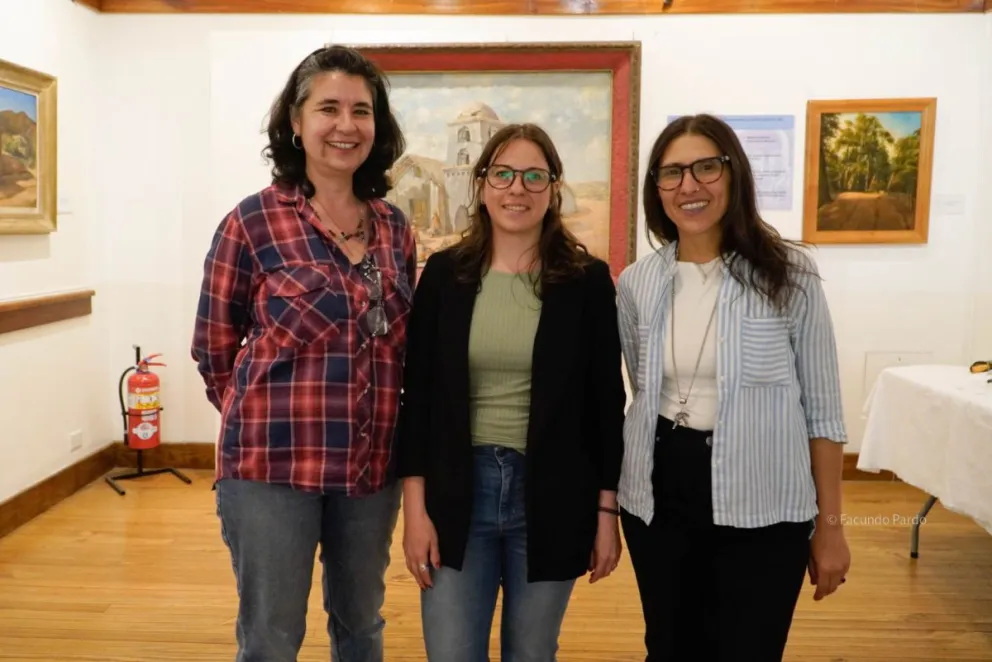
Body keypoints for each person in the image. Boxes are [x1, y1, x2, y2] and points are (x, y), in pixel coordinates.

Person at [190, 45, 415, 662]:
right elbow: (213, 348)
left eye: (362, 111)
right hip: (272, 472)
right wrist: (260, 415)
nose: (346, 126)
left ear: (378, 125)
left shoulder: (396, 228)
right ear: (295, 121)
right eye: (329, 108)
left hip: (371, 472)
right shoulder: (251, 223)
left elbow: (399, 343)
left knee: (362, 623)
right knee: (271, 635)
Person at [615, 114, 852, 662]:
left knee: (750, 647)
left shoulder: (790, 274)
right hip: (659, 494)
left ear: (734, 174)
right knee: (670, 647)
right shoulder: (636, 283)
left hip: (766, 499)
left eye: (706, 167)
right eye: (671, 173)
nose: (689, 186)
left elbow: (823, 413)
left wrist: (831, 529)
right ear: (656, 188)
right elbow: (642, 391)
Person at [395, 123, 627, 661]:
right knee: (452, 652)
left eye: (532, 175)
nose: (516, 188)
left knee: (531, 652)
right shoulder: (445, 276)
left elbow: (605, 406)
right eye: (502, 173)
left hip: (551, 495)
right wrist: (415, 511)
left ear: (553, 188)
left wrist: (605, 514)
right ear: (481, 185)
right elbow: (419, 400)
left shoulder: (587, 281)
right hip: (458, 493)